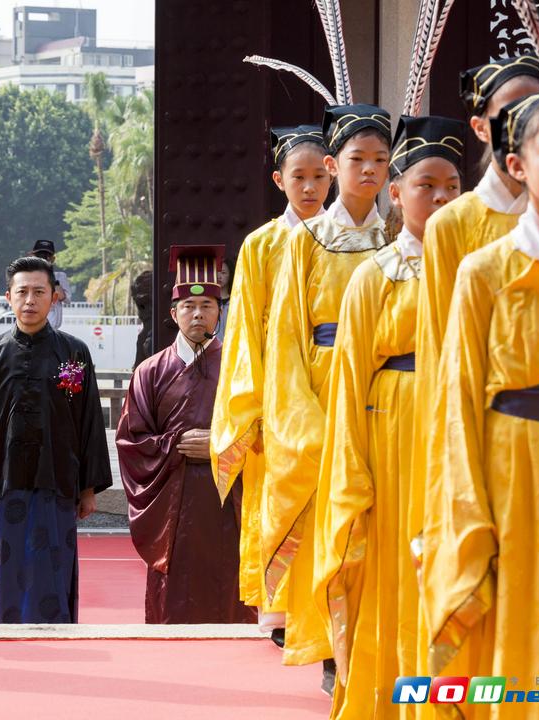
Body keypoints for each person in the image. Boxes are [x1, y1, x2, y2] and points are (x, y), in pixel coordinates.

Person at [422, 91, 539, 717]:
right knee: (515, 636)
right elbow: (456, 400)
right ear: (516, 164)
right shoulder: (483, 271)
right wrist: (468, 519)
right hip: (511, 484)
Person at [408, 55, 539, 689]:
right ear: (482, 126)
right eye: (510, 115)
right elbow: (441, 352)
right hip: (485, 436)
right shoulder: (455, 226)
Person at [314, 115, 463, 718]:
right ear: (396, 193)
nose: (442, 197)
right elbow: (350, 382)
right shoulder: (374, 277)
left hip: (459, 428)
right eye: (427, 185)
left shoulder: (481, 270)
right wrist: (354, 470)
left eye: (453, 185)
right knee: (396, 567)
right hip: (393, 429)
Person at [262, 104, 390, 690]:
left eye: (380, 161)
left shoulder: (396, 236)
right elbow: (285, 333)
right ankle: (336, 652)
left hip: (385, 390)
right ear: (335, 166)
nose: (369, 171)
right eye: (358, 160)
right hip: (322, 382)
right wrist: (301, 419)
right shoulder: (306, 240)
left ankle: (378, 638)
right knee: (333, 524)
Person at [211, 124, 330, 642]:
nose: (310, 187)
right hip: (278, 393)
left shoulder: (348, 239)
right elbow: (242, 332)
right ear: (278, 180)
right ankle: (282, 609)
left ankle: (329, 599)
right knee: (280, 495)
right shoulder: (261, 244)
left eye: (319, 176)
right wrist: (250, 406)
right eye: (298, 176)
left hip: (330, 384)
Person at [0, 256, 112, 623]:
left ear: (54, 297)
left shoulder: (73, 353)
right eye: (22, 292)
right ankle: (6, 633)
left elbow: (86, 419)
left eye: (39, 292)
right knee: (9, 568)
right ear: (8, 296)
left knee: (55, 565)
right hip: (5, 483)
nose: (30, 300)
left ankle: (58, 633)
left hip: (59, 480)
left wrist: (88, 489)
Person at [117, 245, 256, 625]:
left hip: (227, 501)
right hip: (172, 510)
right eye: (189, 307)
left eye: (208, 306)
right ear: (173, 312)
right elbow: (132, 442)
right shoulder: (150, 371)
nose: (198, 314)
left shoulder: (241, 369)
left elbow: (263, 432)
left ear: (220, 312)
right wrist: (175, 446)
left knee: (228, 587)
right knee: (174, 598)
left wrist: (219, 445)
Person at [30, 239, 72, 330]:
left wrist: (52, 277)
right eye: (39, 256)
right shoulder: (26, 277)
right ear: (32, 257)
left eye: (47, 256)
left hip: (53, 329)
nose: (43, 259)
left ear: (53, 259)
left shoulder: (60, 277)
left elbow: (66, 299)